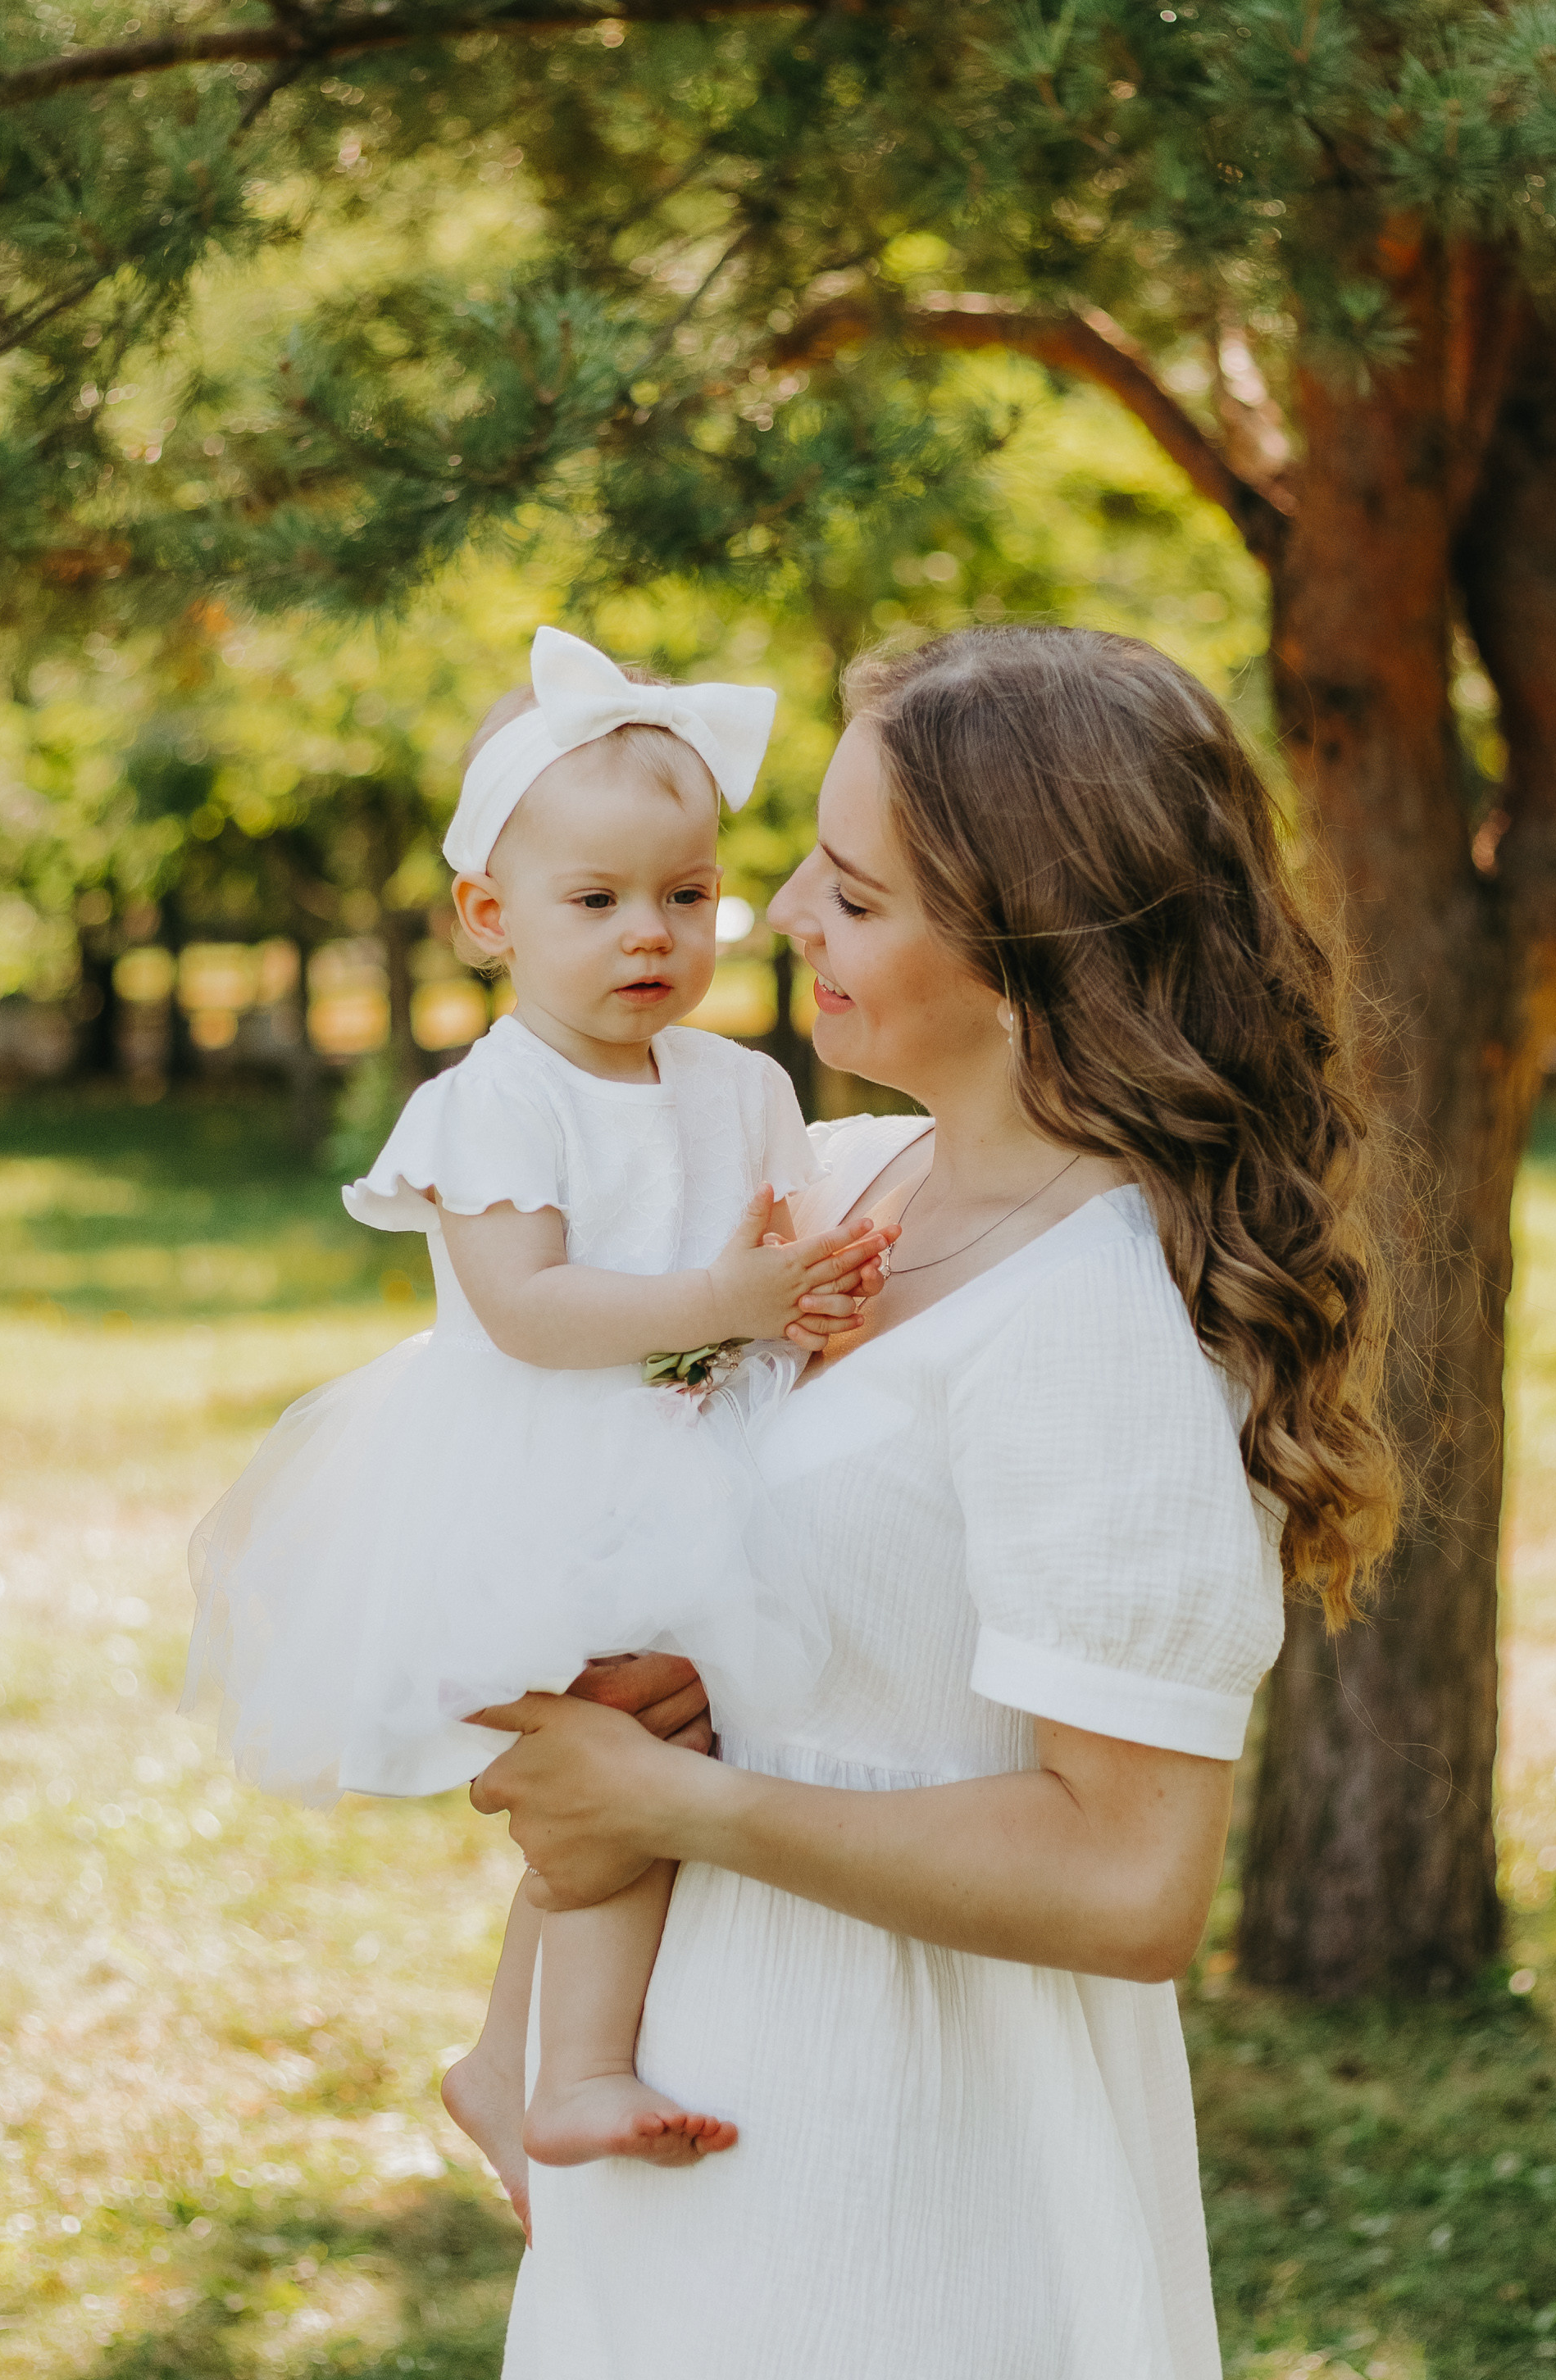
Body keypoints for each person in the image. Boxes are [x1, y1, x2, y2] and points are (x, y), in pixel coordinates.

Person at [466, 624, 1403, 2378]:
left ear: (1033, 952)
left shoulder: (1095, 1323)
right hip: (689, 2116)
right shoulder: (826, 1184)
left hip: (903, 2177)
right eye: (807, 866)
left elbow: (1128, 1880)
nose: (781, 919)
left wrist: (663, 1799)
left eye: (855, 891)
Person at [182, 626, 894, 2215]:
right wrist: (741, 1302)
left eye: (685, 896)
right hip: (545, 1486)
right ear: (491, 918)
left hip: (710, 1467)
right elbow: (533, 1310)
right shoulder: (499, 1096)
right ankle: (561, 2073)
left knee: (659, 1756)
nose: (651, 934)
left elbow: (761, 1267)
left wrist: (804, 1301)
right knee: (633, 1752)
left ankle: (518, 2065)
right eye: (596, 902)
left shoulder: (743, 1082)